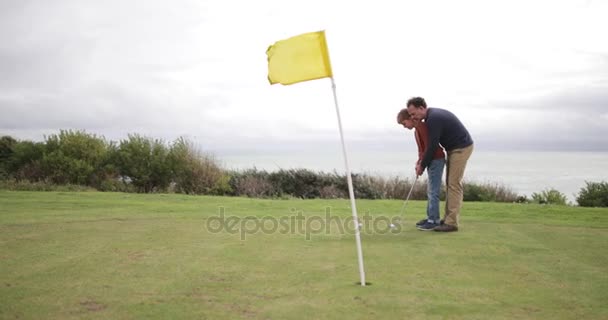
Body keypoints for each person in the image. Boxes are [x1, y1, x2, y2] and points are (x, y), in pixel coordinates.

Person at [406, 97, 473, 232]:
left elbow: (432, 146)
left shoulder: (433, 119)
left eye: (413, 113)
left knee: (454, 184)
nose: (413, 117)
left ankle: (452, 223)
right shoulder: (430, 117)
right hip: (453, 149)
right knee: (450, 183)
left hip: (461, 148)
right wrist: (421, 163)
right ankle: (447, 219)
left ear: (421, 108)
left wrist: (422, 166)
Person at [397, 110, 446, 231]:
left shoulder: (423, 127)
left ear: (411, 118)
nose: (405, 126)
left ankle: (433, 220)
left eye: (404, 123)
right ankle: (430, 217)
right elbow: (421, 150)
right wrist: (419, 163)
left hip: (437, 159)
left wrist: (422, 165)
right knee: (430, 190)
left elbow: (430, 148)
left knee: (433, 191)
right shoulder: (416, 131)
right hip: (431, 160)